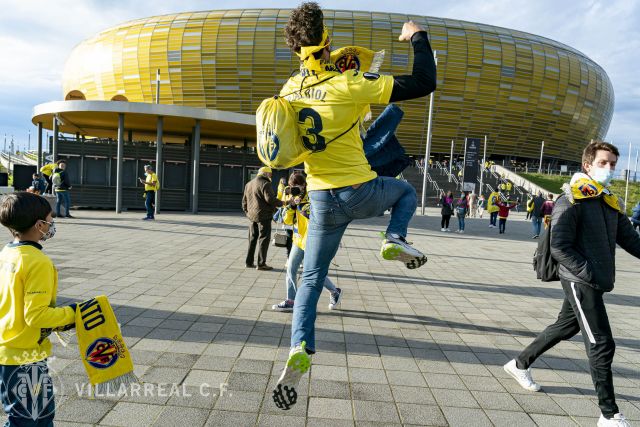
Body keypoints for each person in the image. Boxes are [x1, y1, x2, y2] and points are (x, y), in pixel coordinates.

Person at [272, 2, 436, 411]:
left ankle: (300, 347)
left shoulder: (288, 91)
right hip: (361, 191)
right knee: (405, 193)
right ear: (327, 43)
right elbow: (423, 81)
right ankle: (394, 237)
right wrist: (417, 35)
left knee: (310, 278)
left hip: (321, 200)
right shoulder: (349, 84)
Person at [504, 141, 640, 427]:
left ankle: (518, 364)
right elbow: (559, 247)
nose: (610, 169)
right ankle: (609, 414)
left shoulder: (607, 200)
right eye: (603, 163)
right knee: (601, 342)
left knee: (565, 327)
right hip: (580, 280)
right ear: (587, 165)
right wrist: (587, 273)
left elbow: (630, 239)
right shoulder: (572, 199)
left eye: (613, 164)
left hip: (594, 279)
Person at [0, 192, 77, 426]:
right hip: (25, 354)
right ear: (39, 225)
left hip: (7, 349)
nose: (52, 224)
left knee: (32, 416)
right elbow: (37, 316)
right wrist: (75, 313)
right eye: (50, 219)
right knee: (30, 419)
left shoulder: (7, 254)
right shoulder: (37, 262)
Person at [272, 173, 342, 312]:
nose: (295, 189)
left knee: (312, 272)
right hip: (298, 240)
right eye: (292, 187)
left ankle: (334, 291)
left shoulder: (313, 195)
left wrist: (300, 205)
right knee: (291, 269)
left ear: (304, 185)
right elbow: (286, 220)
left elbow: (316, 215)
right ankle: (291, 300)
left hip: (314, 241)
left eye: (297, 186)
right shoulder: (294, 197)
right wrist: (291, 207)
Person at [242, 166, 283, 270]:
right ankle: (261, 264)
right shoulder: (265, 184)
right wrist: (283, 203)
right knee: (264, 239)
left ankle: (249, 262)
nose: (271, 176)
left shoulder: (249, 184)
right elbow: (271, 200)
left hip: (252, 217)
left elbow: (244, 202)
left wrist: (248, 213)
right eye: (270, 174)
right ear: (266, 174)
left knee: (252, 239)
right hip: (264, 216)